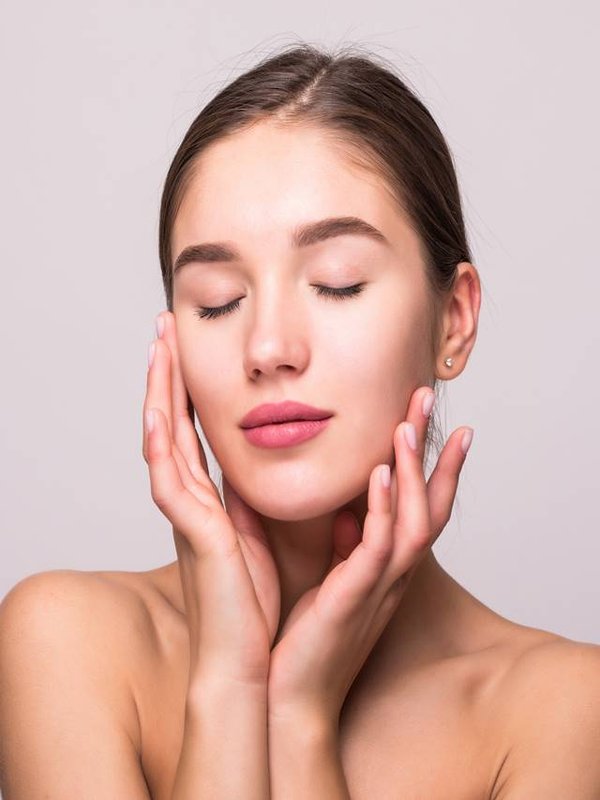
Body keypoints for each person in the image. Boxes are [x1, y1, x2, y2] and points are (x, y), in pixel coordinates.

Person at [1, 41, 599, 800]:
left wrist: (300, 716)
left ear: (453, 320)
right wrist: (227, 683)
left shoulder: (562, 712)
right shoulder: (68, 641)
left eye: (337, 284)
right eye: (218, 299)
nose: (269, 348)